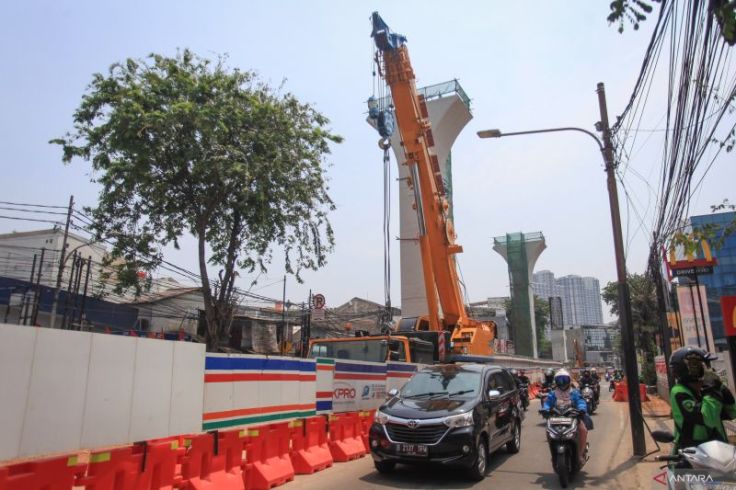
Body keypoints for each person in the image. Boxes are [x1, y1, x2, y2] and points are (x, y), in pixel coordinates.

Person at [669, 346, 736, 451]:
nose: (708, 369)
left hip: (718, 451)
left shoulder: (705, 390)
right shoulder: (679, 392)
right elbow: (707, 419)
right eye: (703, 365)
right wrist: (711, 388)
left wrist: (721, 388)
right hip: (692, 454)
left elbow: (732, 412)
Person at [541, 369, 590, 466]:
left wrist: (581, 409)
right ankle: (553, 455)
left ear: (569, 380)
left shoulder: (574, 392)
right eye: (559, 380)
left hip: (573, 417)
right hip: (556, 418)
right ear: (556, 381)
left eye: (564, 379)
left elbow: (581, 401)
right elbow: (547, 403)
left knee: (583, 430)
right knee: (548, 431)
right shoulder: (553, 393)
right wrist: (545, 409)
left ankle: (580, 455)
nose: (562, 382)